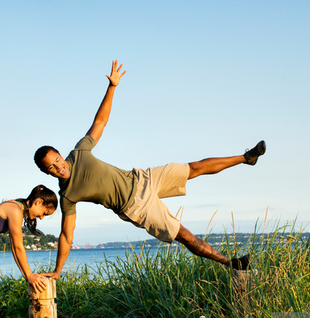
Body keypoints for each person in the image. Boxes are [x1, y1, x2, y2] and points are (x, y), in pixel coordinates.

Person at [34, 60, 266, 280]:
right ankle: (232, 263)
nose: (58, 167)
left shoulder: (79, 152)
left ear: (60, 154)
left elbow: (100, 122)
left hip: (142, 178)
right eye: (51, 168)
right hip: (136, 206)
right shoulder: (67, 196)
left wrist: (112, 86)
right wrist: (57, 271)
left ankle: (247, 157)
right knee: (184, 235)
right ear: (47, 173)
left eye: (57, 160)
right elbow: (66, 236)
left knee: (194, 168)